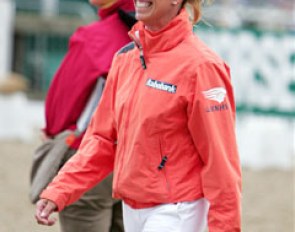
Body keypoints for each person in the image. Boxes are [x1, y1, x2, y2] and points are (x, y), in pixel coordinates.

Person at [35, 0, 242, 231]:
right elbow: (101, 140)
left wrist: (225, 227)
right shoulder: (125, 59)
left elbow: (220, 161)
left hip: (178, 208)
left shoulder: (203, 66)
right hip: (131, 205)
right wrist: (59, 190)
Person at [36, 0, 135, 231]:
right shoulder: (158, 37)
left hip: (92, 155)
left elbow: (61, 103)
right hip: (140, 159)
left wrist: (54, 133)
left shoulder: (96, 37)